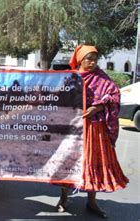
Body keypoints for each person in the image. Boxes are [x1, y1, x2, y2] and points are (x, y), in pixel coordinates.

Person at [55, 45, 129, 218]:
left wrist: (98, 106)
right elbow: (60, 97)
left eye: (95, 59)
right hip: (74, 128)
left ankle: (92, 201)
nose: (93, 62)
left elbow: (114, 95)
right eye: (89, 59)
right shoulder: (71, 78)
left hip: (95, 129)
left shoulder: (101, 77)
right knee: (68, 161)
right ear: (80, 59)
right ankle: (63, 199)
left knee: (94, 163)